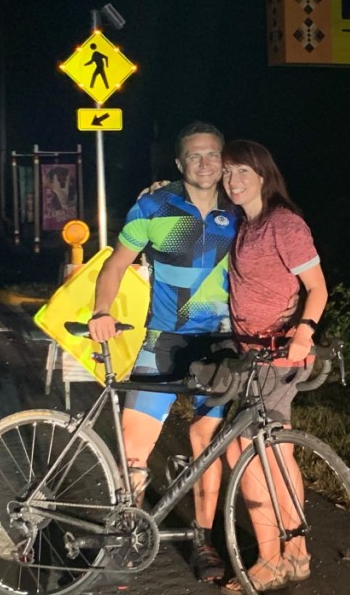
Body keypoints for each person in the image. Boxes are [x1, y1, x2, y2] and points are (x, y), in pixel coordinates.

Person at [87, 121, 235, 584]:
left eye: (212, 154)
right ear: (179, 163)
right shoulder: (154, 204)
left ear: (224, 159)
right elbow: (115, 264)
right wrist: (101, 310)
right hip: (164, 340)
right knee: (134, 447)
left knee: (206, 448)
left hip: (220, 345)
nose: (205, 163)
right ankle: (125, 528)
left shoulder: (242, 206)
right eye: (194, 156)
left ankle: (204, 539)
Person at [217, 139, 327, 593]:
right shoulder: (247, 225)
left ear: (263, 174)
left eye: (242, 171)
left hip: (278, 355)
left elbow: (317, 289)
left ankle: (271, 559)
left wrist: (303, 333)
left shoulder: (285, 224)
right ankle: (294, 554)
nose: (233, 180)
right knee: (269, 452)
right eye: (227, 173)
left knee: (254, 451)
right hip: (252, 354)